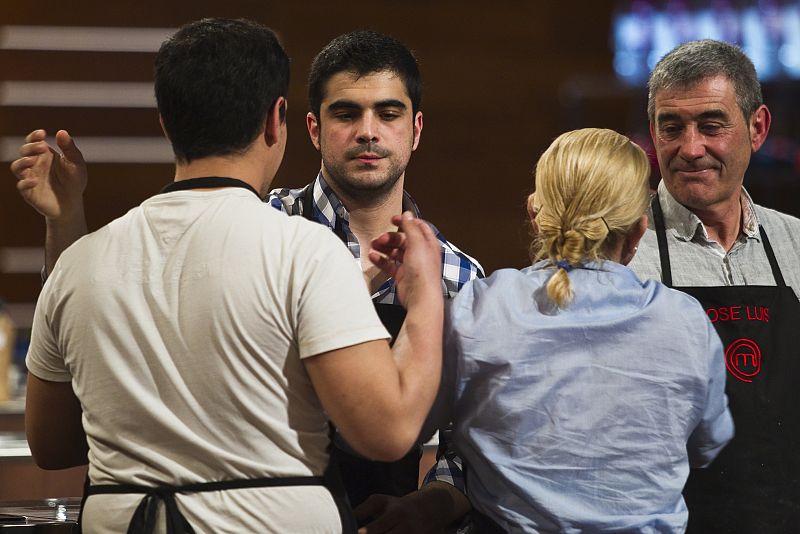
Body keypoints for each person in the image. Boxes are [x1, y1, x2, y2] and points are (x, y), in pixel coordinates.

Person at [18, 18, 445, 533]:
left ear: (166, 124)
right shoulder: (303, 248)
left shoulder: (79, 261)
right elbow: (388, 431)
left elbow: (53, 444)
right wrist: (424, 299)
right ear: (278, 120)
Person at [422, 128, 733, 533]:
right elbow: (708, 443)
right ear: (639, 232)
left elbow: (415, 422)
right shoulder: (686, 321)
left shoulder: (478, 307)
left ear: (535, 214)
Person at [267, 30, 482, 529]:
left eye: (388, 114)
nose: (368, 131)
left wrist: (425, 506)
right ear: (314, 129)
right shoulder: (265, 226)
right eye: (346, 114)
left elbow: (471, 438)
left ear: (416, 129)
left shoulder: (458, 273)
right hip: (261, 512)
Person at [628, 39, 800, 532]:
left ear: (758, 127)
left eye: (711, 125)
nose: (690, 148)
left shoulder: (795, 243)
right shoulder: (618, 252)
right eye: (671, 127)